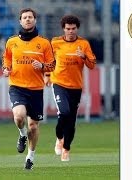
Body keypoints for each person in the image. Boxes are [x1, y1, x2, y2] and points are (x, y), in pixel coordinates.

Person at [2, 8, 55, 170]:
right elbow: (7, 58)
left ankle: (30, 157)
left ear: (35, 20)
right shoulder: (11, 42)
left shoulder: (44, 43)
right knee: (19, 116)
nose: (27, 20)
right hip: (17, 86)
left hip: (36, 89)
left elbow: (52, 65)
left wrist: (43, 66)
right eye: (24, 17)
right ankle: (22, 134)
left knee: (34, 126)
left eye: (30, 17)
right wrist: (6, 68)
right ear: (20, 21)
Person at [44, 15, 96, 161]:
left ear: (77, 28)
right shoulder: (55, 42)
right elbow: (48, 59)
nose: (71, 31)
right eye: (68, 28)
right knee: (64, 112)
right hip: (59, 83)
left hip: (76, 86)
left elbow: (92, 65)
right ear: (64, 29)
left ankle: (66, 148)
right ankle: (59, 138)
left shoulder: (84, 44)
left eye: (73, 28)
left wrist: (84, 56)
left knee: (71, 120)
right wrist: (47, 75)